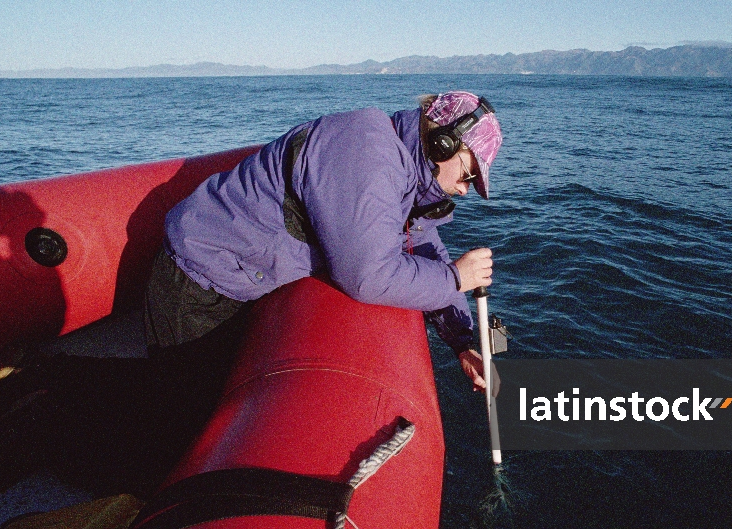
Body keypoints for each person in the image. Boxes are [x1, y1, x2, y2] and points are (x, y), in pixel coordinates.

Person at [142, 91, 503, 391]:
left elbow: (422, 244)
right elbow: (368, 277)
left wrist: (462, 343)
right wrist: (456, 279)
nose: (464, 190)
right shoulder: (368, 156)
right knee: (182, 408)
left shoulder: (405, 170)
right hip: (198, 279)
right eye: (468, 173)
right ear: (443, 143)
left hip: (240, 276)